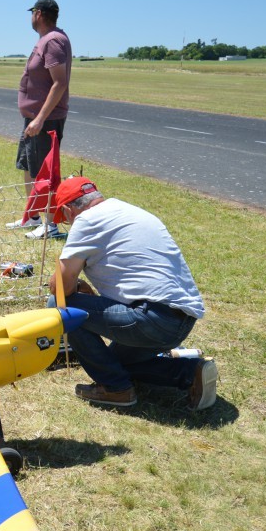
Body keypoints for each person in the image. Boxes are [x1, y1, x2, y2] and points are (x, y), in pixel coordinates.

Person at [47, 176, 218, 410]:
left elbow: (60, 289)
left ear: (67, 210)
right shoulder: (130, 210)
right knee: (112, 363)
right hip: (180, 321)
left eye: (65, 219)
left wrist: (73, 287)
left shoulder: (86, 220)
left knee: (57, 306)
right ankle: (190, 373)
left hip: (151, 319)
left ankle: (116, 388)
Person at [11, 0, 72, 240]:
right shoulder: (46, 40)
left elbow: (60, 83)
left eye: (32, 13)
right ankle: (33, 217)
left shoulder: (54, 40)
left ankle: (51, 225)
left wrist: (40, 119)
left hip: (45, 120)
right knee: (29, 166)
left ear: (38, 14)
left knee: (45, 173)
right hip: (34, 118)